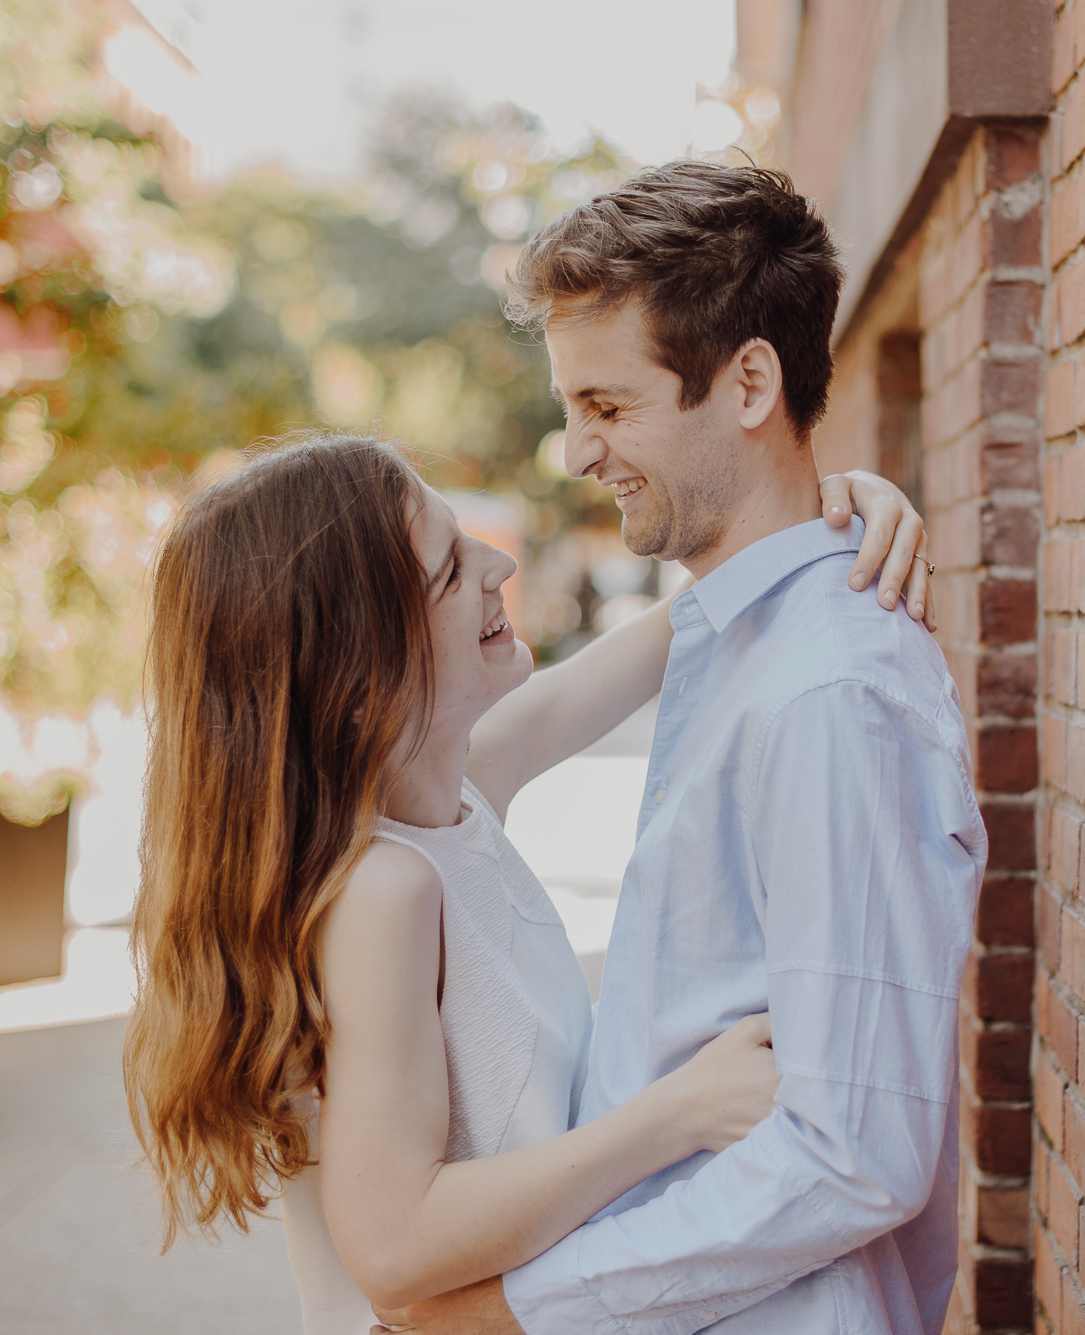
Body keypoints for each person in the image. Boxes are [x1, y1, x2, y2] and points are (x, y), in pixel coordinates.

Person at [123, 429, 933, 1334]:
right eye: (448, 570)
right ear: (358, 671)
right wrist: (680, 1113)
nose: (498, 562)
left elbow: (681, 629)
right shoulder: (383, 894)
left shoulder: (455, 793)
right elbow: (393, 1246)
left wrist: (826, 517)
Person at [374, 162, 987, 1335]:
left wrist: (515, 1313)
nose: (572, 451)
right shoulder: (732, 641)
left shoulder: (828, 694)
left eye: (606, 407)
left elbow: (853, 1149)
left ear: (748, 379)